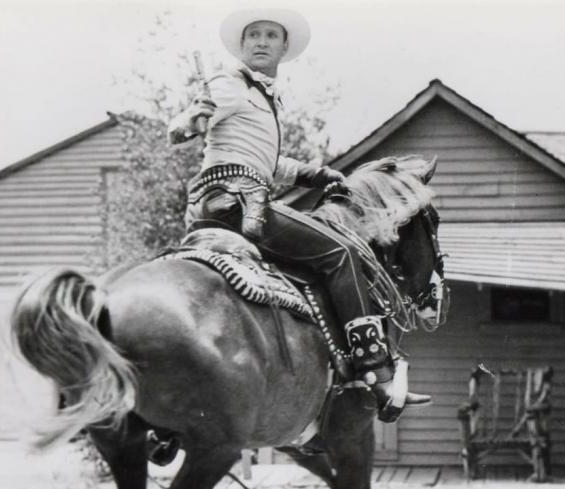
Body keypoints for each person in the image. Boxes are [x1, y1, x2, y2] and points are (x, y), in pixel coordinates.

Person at [168, 8, 429, 422]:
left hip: (211, 206)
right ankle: (375, 368)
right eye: (253, 35)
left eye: (270, 35)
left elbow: (267, 163)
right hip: (238, 205)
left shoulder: (263, 96)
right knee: (342, 253)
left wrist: (318, 175)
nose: (261, 41)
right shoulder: (230, 83)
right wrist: (189, 122)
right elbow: (186, 125)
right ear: (241, 45)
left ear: (283, 47)